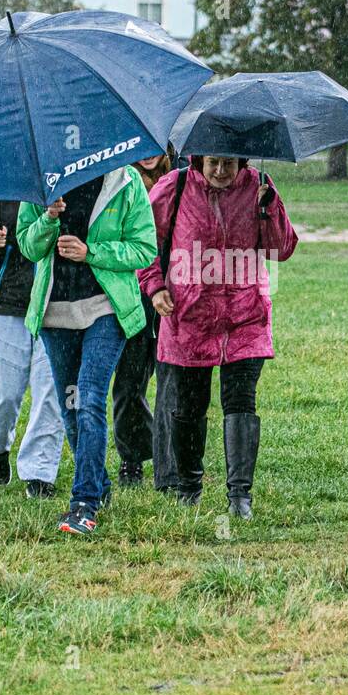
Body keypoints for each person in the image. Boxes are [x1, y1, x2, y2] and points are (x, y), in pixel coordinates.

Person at [137, 154, 298, 519]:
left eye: (229, 163)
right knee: (189, 407)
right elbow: (145, 241)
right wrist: (155, 287)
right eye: (213, 163)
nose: (221, 172)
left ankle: (240, 497)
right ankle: (189, 488)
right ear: (198, 161)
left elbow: (282, 248)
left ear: (241, 161)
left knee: (241, 402)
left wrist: (268, 207)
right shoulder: (174, 187)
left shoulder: (261, 186)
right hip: (188, 318)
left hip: (245, 317)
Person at [17, 166, 157, 536]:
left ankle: (84, 503)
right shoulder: (42, 180)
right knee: (71, 405)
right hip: (55, 314)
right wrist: (48, 219)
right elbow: (28, 246)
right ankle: (101, 485)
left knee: (90, 397)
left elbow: (144, 249)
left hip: (104, 308)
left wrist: (90, 252)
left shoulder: (124, 180)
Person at [0, 201, 64, 497]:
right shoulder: (1, 181)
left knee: (51, 391)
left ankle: (39, 472)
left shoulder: (67, 179)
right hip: (6, 299)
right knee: (5, 390)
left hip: (56, 298)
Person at [111, 152, 174, 489]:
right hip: (131, 298)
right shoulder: (118, 181)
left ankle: (171, 460)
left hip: (171, 297)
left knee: (171, 384)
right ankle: (132, 459)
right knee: (129, 384)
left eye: (155, 148)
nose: (148, 156)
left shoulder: (178, 180)